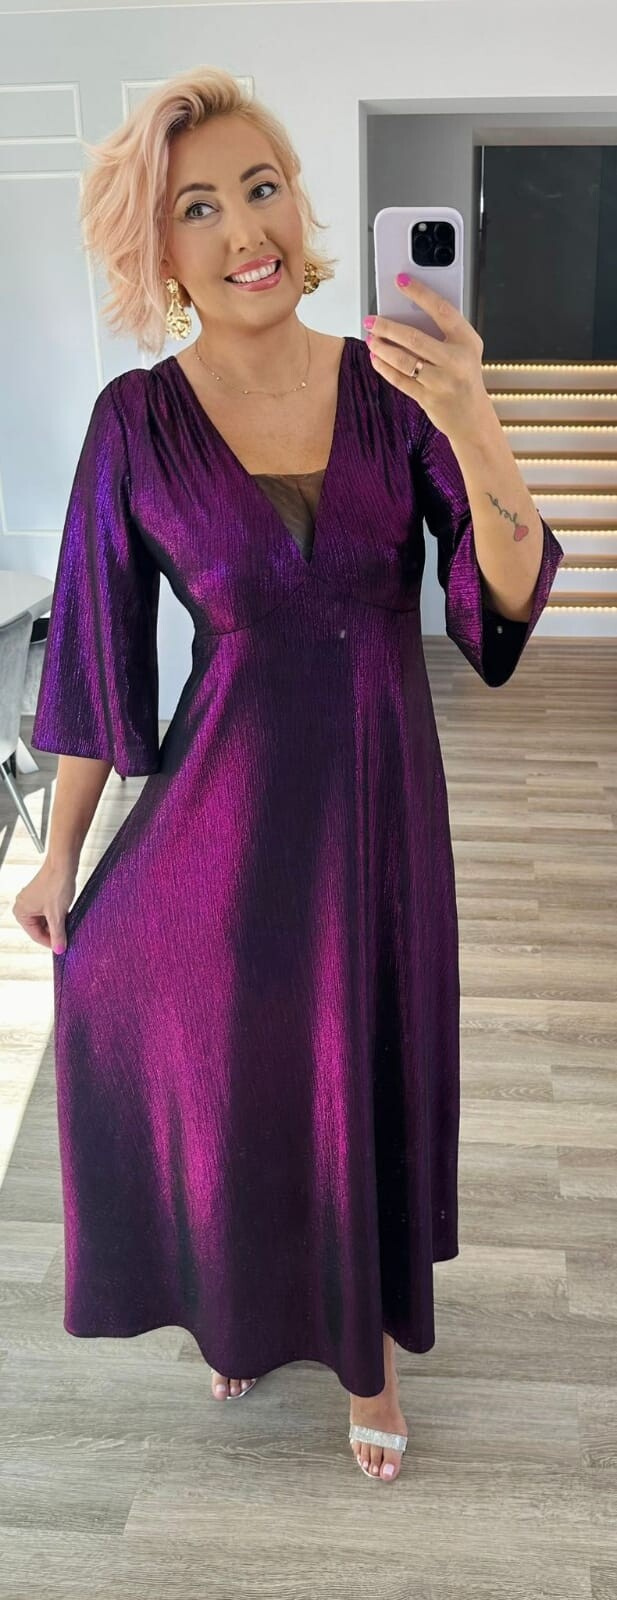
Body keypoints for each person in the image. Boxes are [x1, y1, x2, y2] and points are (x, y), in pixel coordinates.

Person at [13, 65, 564, 1487]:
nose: (243, 228)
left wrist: (475, 414)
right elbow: (95, 659)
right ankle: (243, 1305)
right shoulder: (135, 423)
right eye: (198, 207)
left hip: (377, 823)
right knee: (239, 1080)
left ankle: (368, 1354)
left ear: (299, 205)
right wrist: (61, 855)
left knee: (358, 1074)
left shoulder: (394, 394)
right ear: (161, 248)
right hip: (218, 831)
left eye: (260, 187)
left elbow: (499, 608)